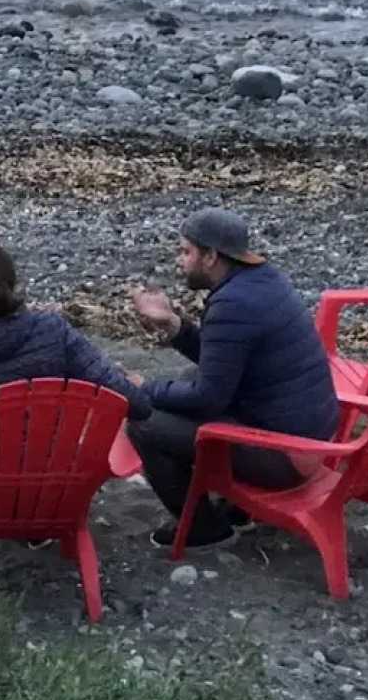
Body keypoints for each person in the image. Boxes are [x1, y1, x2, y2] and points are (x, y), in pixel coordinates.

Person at [128, 207, 338, 549]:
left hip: (289, 456)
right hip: (309, 434)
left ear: (211, 256)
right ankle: (238, 510)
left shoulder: (232, 304)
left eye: (186, 252)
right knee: (187, 378)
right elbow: (224, 359)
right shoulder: (263, 280)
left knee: (144, 423)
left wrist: (143, 389)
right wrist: (172, 323)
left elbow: (209, 398)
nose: (179, 262)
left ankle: (204, 528)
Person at [0, 238, 152, 465]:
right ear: (12, 281)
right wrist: (140, 397)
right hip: (54, 473)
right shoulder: (53, 329)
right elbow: (131, 401)